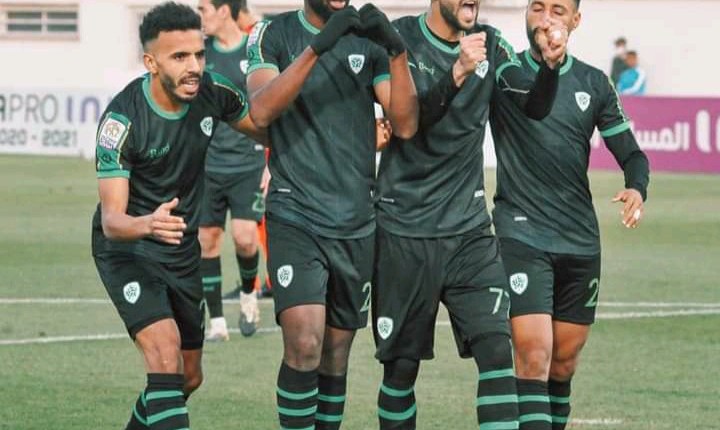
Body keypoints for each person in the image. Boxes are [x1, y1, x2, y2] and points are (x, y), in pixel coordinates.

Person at [372, 0, 567, 428]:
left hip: (470, 232)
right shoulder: (398, 39)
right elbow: (408, 121)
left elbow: (533, 104)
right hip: (405, 230)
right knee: (401, 369)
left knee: (497, 352)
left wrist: (550, 69)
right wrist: (457, 72)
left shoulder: (491, 43)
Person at [91, 2, 263, 428]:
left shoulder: (214, 92)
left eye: (199, 54)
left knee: (187, 377)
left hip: (181, 251)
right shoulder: (122, 120)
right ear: (151, 62)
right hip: (130, 249)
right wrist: (148, 223)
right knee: (165, 357)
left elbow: (266, 127)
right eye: (179, 57)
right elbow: (112, 220)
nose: (194, 67)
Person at [246, 1, 418, 428]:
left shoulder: (367, 40)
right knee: (305, 342)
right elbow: (261, 110)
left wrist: (396, 51)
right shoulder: (272, 34)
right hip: (295, 212)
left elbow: (405, 124)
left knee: (335, 355)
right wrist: (318, 46)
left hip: (355, 219)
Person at [489, 1, 650, 429]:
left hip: (579, 239)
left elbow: (632, 154)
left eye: (558, 10)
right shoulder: (505, 71)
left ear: (575, 21)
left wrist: (637, 187)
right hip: (520, 233)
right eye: (537, 7)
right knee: (533, 355)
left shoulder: (594, 82)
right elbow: (529, 102)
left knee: (562, 364)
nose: (545, 18)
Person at [196, 0, 267, 341]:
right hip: (208, 163)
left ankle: (249, 296)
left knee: (244, 238)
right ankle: (217, 323)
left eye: (204, 9)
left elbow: (270, 103)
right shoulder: (200, 53)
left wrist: (272, 160)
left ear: (224, 10)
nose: (200, 17)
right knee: (207, 240)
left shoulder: (254, 50)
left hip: (247, 162)